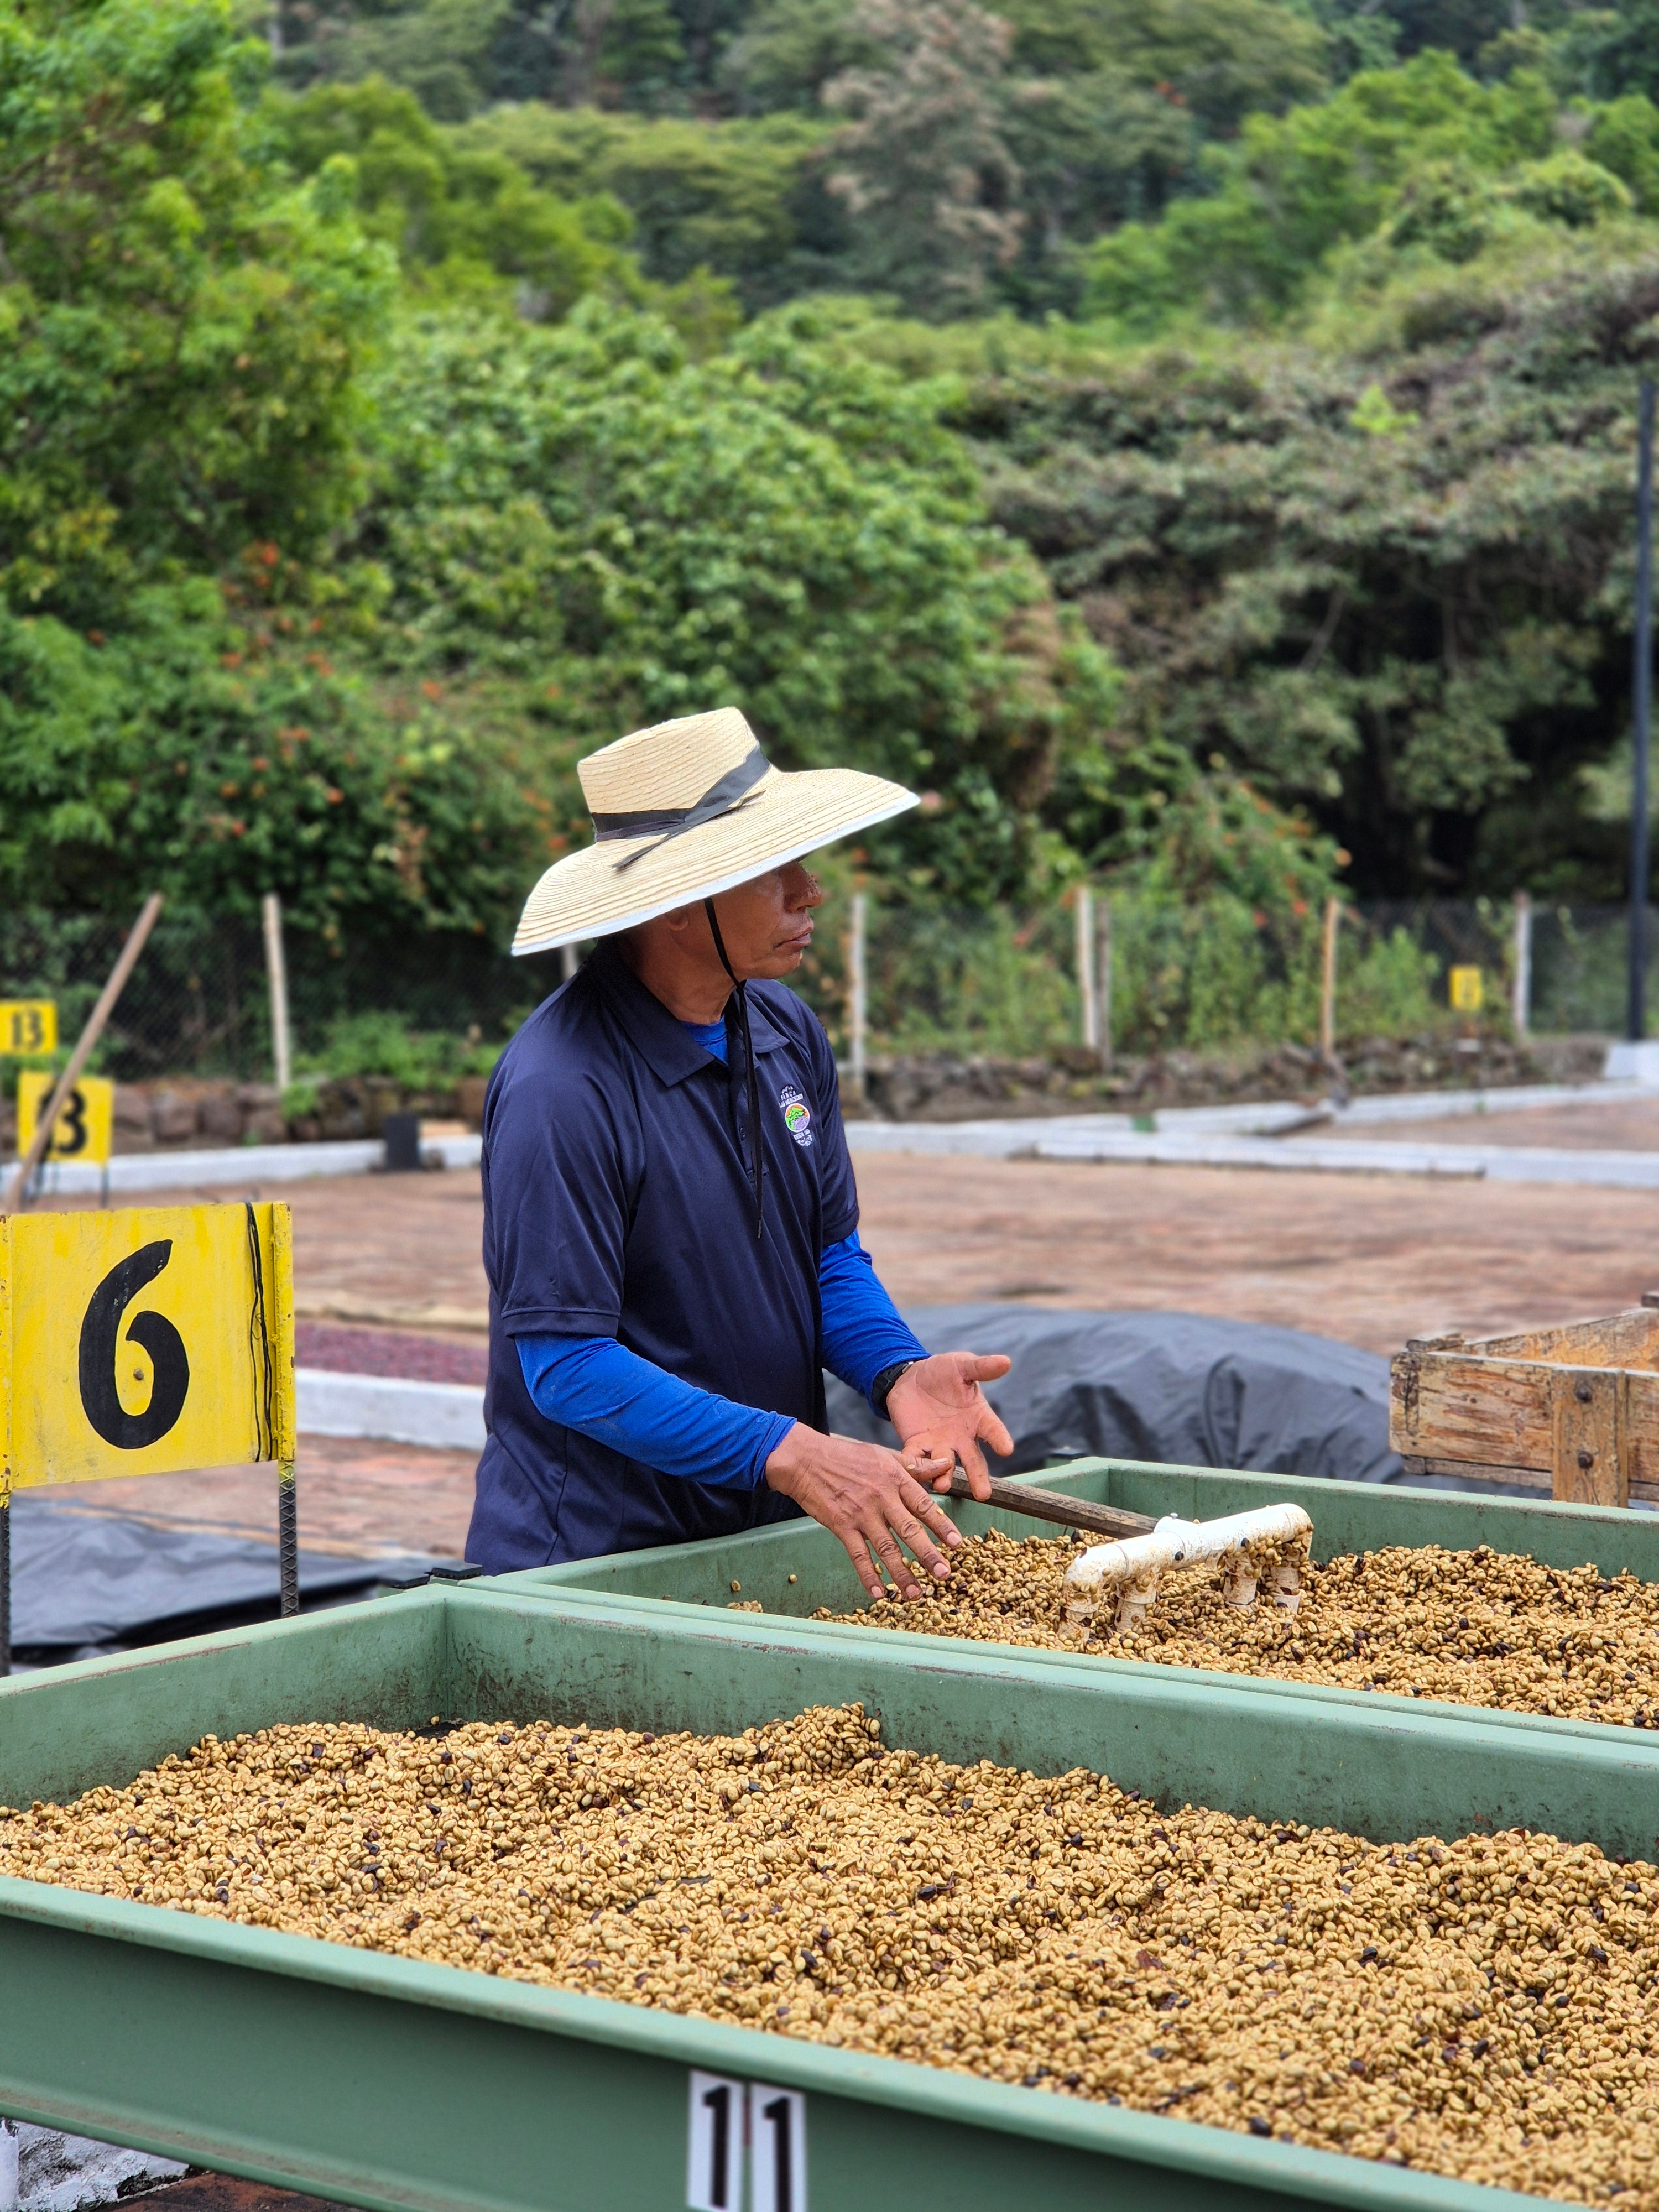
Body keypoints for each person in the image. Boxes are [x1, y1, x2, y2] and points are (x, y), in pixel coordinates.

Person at [467, 705, 1014, 1598]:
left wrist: (898, 1371)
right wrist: (792, 1453)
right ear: (681, 907)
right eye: (773, 872)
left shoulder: (784, 1031)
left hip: (755, 1543)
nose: (810, 892)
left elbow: (827, 1257)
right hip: (596, 1565)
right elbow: (566, 1368)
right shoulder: (562, 1090)